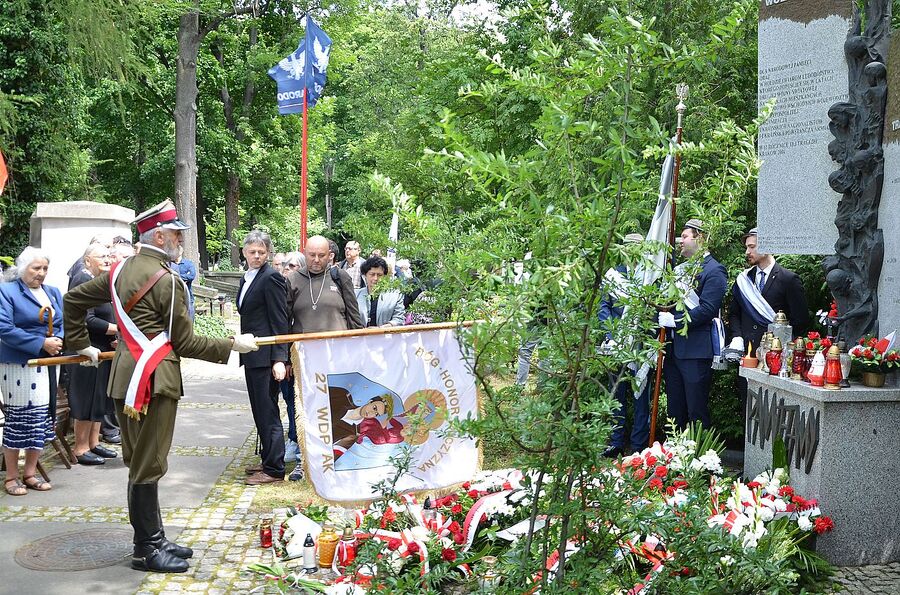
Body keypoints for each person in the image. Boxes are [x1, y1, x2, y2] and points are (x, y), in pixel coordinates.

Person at [64, 199, 259, 573]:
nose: (180, 242)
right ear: (158, 236)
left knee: (140, 461)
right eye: (176, 235)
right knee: (147, 464)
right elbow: (184, 343)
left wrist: (81, 343)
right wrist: (233, 344)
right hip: (154, 382)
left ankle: (154, 537)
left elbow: (74, 301)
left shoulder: (120, 270)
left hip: (126, 378)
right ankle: (146, 549)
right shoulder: (165, 280)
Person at [285, 235, 363, 481]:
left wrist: (361, 349)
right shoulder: (292, 280)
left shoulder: (340, 278)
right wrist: (284, 358)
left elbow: (354, 317)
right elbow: (283, 321)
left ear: (330, 255)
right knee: (305, 410)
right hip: (305, 359)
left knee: (339, 408)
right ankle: (304, 461)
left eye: (322, 255)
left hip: (337, 358)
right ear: (304, 254)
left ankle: (340, 458)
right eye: (312, 255)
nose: (316, 260)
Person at [1, 247, 64, 496]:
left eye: (45, 268)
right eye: (36, 268)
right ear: (23, 267)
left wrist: (56, 340)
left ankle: (30, 473)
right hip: (19, 363)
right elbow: (4, 327)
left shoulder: (53, 292)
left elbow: (61, 322)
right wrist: (40, 343)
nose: (41, 273)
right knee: (20, 417)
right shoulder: (7, 291)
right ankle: (11, 477)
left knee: (42, 415)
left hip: (49, 362)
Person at [727, 228, 808, 410]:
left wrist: (785, 353)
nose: (747, 252)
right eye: (747, 247)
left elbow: (800, 321)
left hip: (776, 358)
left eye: (752, 247)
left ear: (768, 246)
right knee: (748, 409)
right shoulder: (744, 280)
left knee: (774, 411)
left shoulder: (788, 279)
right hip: (748, 355)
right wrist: (737, 337)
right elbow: (734, 313)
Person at [659, 219, 727, 430]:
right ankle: (673, 459)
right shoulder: (680, 270)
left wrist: (676, 321)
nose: (681, 241)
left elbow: (707, 309)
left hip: (696, 352)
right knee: (674, 411)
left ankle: (698, 458)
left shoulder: (714, 270)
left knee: (696, 410)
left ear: (701, 238)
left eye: (686, 236)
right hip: (674, 351)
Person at [237, 231, 290, 486]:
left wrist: (280, 358)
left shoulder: (271, 278)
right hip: (252, 355)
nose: (256, 256)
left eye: (261, 252)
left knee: (268, 411)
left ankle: (275, 469)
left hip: (267, 357)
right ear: (244, 252)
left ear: (267, 253)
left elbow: (280, 320)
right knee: (259, 410)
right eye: (252, 252)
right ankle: (268, 458)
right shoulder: (247, 277)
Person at [599, 233, 651, 457]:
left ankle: (638, 445)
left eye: (636, 248)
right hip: (617, 345)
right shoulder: (613, 275)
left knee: (640, 395)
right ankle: (615, 442)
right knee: (616, 394)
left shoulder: (649, 276)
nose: (632, 252)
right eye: (628, 248)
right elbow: (604, 307)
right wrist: (611, 335)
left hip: (640, 345)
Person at [67, 243, 119, 466]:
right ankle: (80, 448)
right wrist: (117, 329)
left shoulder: (101, 280)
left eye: (109, 255)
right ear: (87, 261)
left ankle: (93, 442)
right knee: (86, 398)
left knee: (99, 397)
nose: (108, 259)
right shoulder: (83, 280)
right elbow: (86, 318)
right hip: (86, 348)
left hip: (103, 348)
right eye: (102, 257)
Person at [356, 256, 405, 328]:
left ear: (385, 276)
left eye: (379, 275)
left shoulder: (395, 295)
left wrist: (381, 329)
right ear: (365, 275)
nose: (375, 278)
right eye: (372, 274)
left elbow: (399, 319)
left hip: (385, 336)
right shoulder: (356, 295)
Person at [171, 246, 197, 320]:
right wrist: (184, 277)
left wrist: (176, 276)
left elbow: (192, 276)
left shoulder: (188, 264)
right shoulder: (169, 264)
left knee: (189, 318)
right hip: (173, 296)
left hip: (187, 295)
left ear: (180, 252)